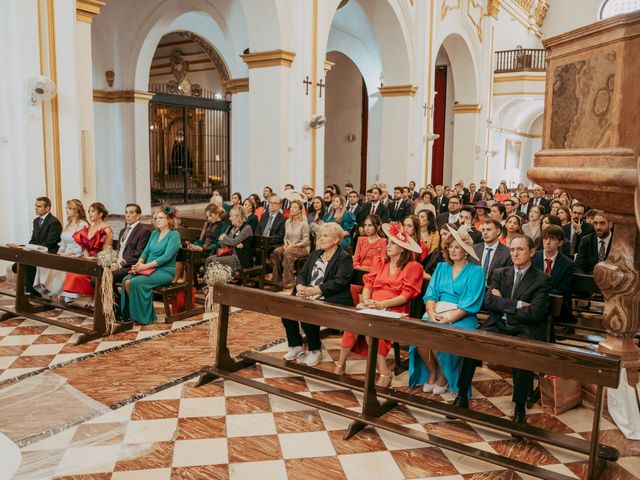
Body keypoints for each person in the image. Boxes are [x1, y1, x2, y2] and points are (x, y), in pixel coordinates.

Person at [453, 235, 553, 427]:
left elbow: (536, 313)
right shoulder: (500, 273)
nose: (515, 253)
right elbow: (488, 302)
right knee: (473, 343)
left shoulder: (542, 280)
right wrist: (519, 305)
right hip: (498, 324)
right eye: (512, 249)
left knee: (522, 353)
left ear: (532, 252)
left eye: (520, 249)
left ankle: (519, 407)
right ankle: (462, 394)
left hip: (524, 328)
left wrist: (503, 303)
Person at [336, 223, 423, 387]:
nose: (388, 246)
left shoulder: (412, 267)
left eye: (392, 243)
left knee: (371, 328)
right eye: (388, 243)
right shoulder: (380, 262)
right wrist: (366, 300)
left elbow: (406, 296)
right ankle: (341, 364)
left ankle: (385, 372)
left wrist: (382, 304)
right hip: (372, 305)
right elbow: (368, 284)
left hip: (395, 309)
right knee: (353, 321)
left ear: (403, 248)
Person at [409, 225, 484, 394]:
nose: (453, 250)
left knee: (439, 337)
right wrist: (431, 312)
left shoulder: (476, 271)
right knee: (420, 334)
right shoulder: (442, 267)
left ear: (466, 251)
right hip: (436, 311)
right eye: (450, 246)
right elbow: (430, 294)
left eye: (457, 247)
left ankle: (444, 375)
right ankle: (432, 372)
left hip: (461, 315)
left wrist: (449, 318)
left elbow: (470, 303)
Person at [282, 223, 354, 366]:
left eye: (325, 236)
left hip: (331, 296)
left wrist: (316, 290)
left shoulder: (344, 257)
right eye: (321, 235)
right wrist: (300, 285)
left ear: (336, 240)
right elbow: (302, 273)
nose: (321, 238)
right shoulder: (316, 254)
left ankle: (315, 350)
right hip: (309, 292)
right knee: (286, 308)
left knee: (308, 310)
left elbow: (340, 282)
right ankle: (296, 346)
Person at [122, 206, 181, 325]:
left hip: (164, 271)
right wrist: (139, 263)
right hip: (148, 268)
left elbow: (167, 257)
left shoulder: (174, 235)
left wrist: (146, 266)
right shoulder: (154, 233)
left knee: (137, 282)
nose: (157, 220)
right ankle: (135, 313)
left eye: (160, 218)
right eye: (155, 218)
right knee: (126, 280)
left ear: (169, 219)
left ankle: (144, 317)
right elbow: (145, 252)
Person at [34, 199, 89, 296]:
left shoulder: (83, 225)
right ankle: (48, 291)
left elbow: (82, 246)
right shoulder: (67, 224)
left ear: (76, 210)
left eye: (69, 208)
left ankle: (55, 293)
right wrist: (60, 252)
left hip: (77, 255)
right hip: (64, 254)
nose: (66, 210)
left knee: (58, 267)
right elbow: (63, 243)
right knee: (42, 265)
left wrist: (69, 254)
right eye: (66, 208)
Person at [10, 196, 63, 295]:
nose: (36, 208)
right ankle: (30, 292)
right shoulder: (36, 221)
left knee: (30, 264)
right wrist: (27, 248)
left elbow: (50, 242)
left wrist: (35, 250)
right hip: (37, 251)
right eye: (36, 206)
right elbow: (33, 239)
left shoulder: (54, 222)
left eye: (39, 206)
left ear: (47, 208)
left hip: (49, 252)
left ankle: (33, 294)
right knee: (18, 264)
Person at [61, 202, 113, 302]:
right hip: (88, 258)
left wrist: (93, 259)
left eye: (93, 211)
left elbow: (107, 252)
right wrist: (86, 256)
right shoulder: (89, 228)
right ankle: (75, 298)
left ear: (100, 214)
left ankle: (92, 299)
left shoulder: (106, 229)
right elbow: (84, 246)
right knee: (70, 268)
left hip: (99, 261)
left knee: (76, 274)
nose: (89, 214)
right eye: (89, 211)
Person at [533, 225, 575, 335]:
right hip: (534, 301)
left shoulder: (567, 264)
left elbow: (563, 289)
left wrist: (541, 294)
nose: (547, 242)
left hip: (556, 303)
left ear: (560, 242)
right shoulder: (533, 258)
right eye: (545, 238)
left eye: (552, 239)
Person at [271, 200, 310, 289]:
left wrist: (293, 245)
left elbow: (306, 241)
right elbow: (285, 237)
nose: (292, 209)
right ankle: (277, 278)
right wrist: (285, 243)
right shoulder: (287, 222)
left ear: (300, 210)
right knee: (276, 251)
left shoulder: (304, 223)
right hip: (289, 245)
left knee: (288, 252)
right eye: (291, 207)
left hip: (302, 247)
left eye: (295, 207)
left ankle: (289, 280)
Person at [111, 203, 151, 287]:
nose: (128, 215)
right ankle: (115, 299)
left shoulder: (144, 231)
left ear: (138, 216)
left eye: (131, 213)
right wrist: (113, 262)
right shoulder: (123, 231)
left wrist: (120, 264)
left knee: (108, 277)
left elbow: (138, 254)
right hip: (117, 264)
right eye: (126, 212)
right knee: (96, 275)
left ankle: (115, 299)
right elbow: (119, 250)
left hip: (129, 266)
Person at [206, 205, 254, 275]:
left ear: (238, 217)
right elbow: (221, 242)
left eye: (231, 216)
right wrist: (234, 243)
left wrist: (226, 238)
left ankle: (217, 283)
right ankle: (211, 282)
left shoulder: (247, 228)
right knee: (208, 259)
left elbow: (232, 241)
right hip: (227, 254)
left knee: (215, 261)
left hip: (239, 258)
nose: (229, 218)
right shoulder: (230, 227)